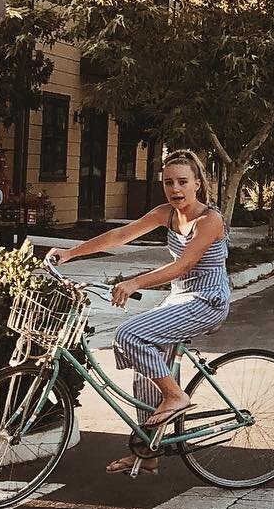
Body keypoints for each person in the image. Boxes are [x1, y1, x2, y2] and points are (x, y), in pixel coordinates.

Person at [46, 148, 230, 475]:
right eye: (168, 182)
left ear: (198, 184)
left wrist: (133, 283)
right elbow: (120, 235)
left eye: (183, 182)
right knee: (145, 369)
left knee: (129, 334)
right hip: (180, 299)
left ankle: (176, 397)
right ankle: (148, 450)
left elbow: (183, 265)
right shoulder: (166, 213)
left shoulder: (209, 220)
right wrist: (70, 253)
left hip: (207, 300)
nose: (175, 189)